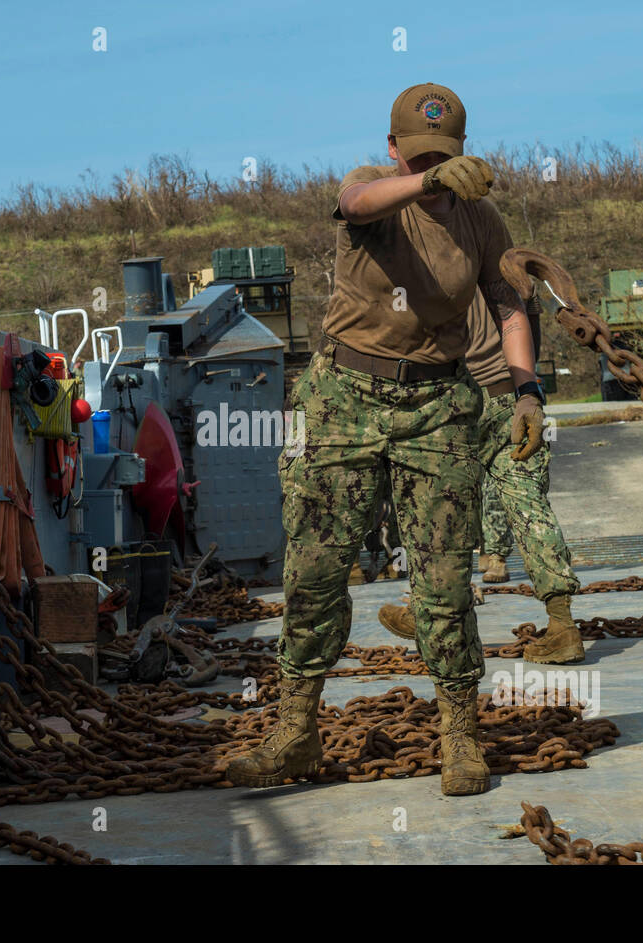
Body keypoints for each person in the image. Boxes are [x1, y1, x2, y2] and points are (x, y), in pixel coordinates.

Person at [225, 83, 545, 797]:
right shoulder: (372, 188)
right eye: (423, 154)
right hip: (343, 395)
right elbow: (357, 202)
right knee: (314, 571)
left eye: (448, 157)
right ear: (394, 147)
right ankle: (296, 730)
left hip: (436, 402)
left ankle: (460, 733)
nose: (437, 171)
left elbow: (507, 305)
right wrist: (422, 181)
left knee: (442, 580)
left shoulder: (481, 221)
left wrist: (525, 389)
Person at [378, 289, 586, 665]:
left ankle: (430, 618)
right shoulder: (501, 268)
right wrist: (528, 394)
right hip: (511, 400)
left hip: (456, 406)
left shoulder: (434, 268)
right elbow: (530, 326)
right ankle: (562, 626)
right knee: (530, 509)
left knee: (438, 515)